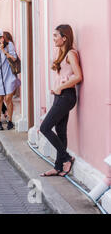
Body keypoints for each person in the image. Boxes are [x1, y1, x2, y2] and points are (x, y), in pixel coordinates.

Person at [40, 25, 82, 177]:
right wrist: (56, 88)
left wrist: (61, 87)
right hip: (61, 95)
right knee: (60, 131)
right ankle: (58, 167)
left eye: (56, 36)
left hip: (66, 96)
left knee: (44, 127)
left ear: (64, 37)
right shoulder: (61, 53)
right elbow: (65, 74)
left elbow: (78, 76)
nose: (54, 39)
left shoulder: (71, 53)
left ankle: (66, 158)